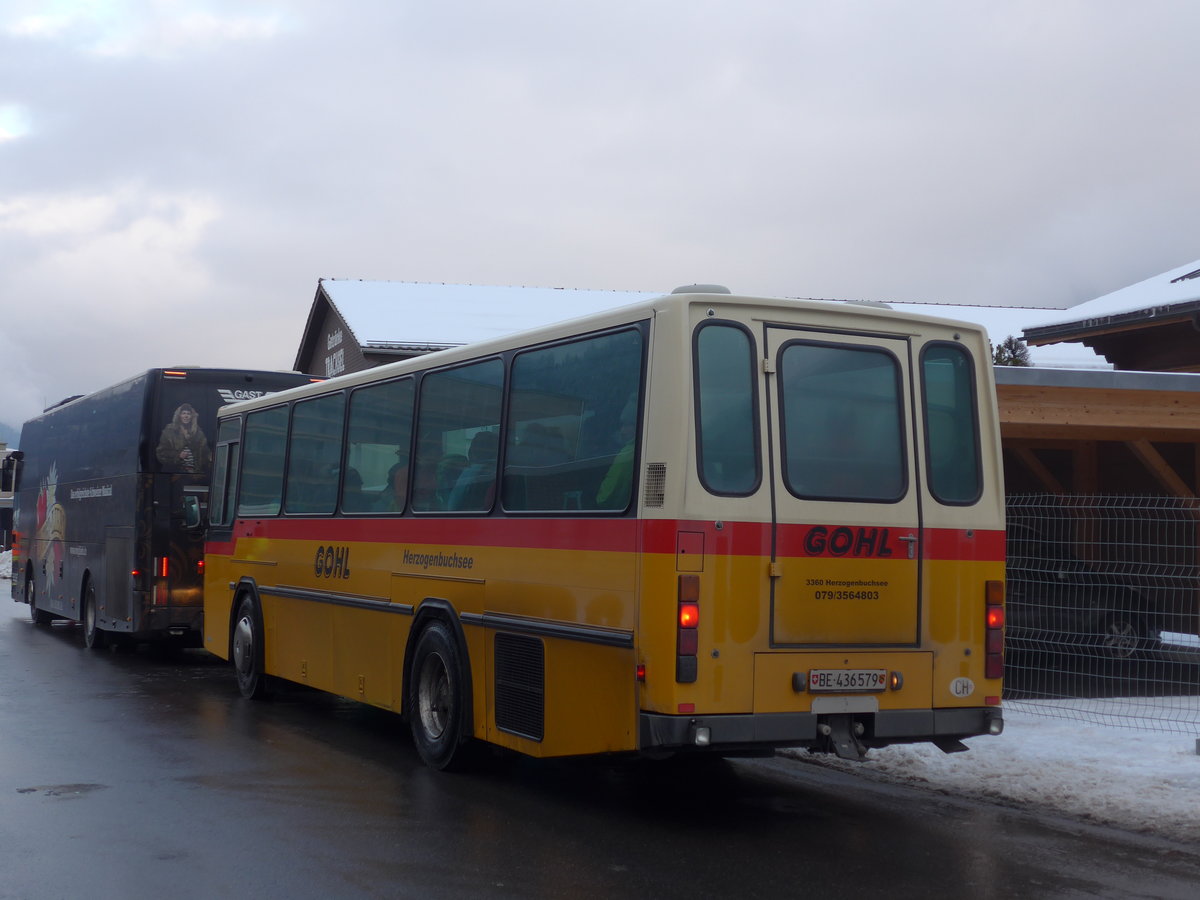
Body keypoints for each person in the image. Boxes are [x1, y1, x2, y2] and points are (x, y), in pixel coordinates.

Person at [156, 403, 212, 474]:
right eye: (183, 413)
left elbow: (205, 452)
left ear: (192, 416)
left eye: (188, 414)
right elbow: (161, 453)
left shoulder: (198, 433)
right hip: (174, 474)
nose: (186, 416)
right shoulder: (169, 431)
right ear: (179, 415)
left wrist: (211, 457)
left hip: (195, 474)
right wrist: (178, 455)